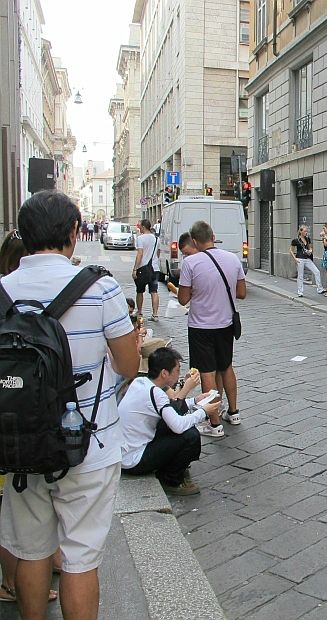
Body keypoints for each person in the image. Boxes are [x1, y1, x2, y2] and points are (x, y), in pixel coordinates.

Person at [0, 190, 139, 619]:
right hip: (88, 443)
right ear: (75, 233)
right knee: (80, 557)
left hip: (19, 443)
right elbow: (129, 365)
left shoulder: (2, 290)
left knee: (31, 549)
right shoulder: (100, 289)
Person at [0, 227, 60, 606]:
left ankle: (12, 581)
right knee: (14, 517)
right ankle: (11, 582)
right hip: (27, 424)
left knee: (11, 513)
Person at [120, 348, 222, 496]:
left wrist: (195, 401)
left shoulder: (141, 382)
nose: (179, 374)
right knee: (191, 435)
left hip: (124, 453)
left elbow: (170, 408)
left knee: (179, 426)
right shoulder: (156, 393)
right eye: (177, 370)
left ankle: (170, 468)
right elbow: (178, 425)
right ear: (164, 373)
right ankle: (170, 479)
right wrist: (204, 411)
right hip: (134, 460)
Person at [178, 221, 246, 430]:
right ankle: (233, 412)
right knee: (226, 367)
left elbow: (182, 299)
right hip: (225, 324)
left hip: (201, 327)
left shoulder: (191, 263)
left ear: (195, 242)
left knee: (207, 372)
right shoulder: (232, 259)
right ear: (213, 236)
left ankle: (213, 423)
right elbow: (242, 293)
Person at [132, 219, 160, 321]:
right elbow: (158, 253)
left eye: (140, 227)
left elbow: (140, 254)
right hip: (155, 268)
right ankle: (155, 314)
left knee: (140, 291)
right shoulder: (157, 239)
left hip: (142, 268)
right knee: (154, 291)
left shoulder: (140, 238)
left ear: (143, 227)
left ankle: (139, 313)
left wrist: (135, 269)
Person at [289, 225, 324, 297]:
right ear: (301, 231)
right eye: (305, 231)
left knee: (317, 271)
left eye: (306, 231)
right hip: (299, 259)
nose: (306, 232)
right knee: (300, 275)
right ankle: (300, 292)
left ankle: (320, 289)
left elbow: (310, 247)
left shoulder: (308, 239)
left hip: (307, 258)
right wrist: (295, 259)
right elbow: (290, 250)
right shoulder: (296, 240)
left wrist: (310, 250)